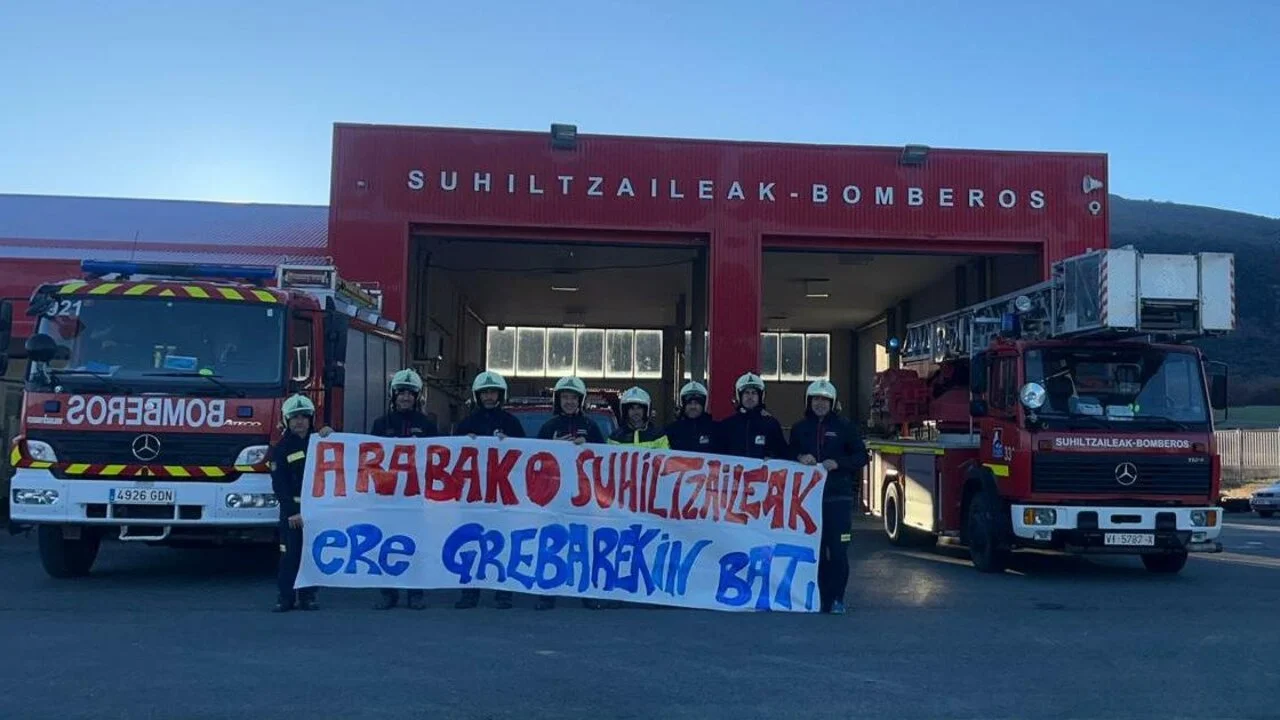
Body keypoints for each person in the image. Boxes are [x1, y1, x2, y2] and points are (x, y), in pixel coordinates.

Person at [788, 379, 869, 615]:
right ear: (809, 401)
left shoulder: (845, 427)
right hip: (808, 502)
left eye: (825, 400)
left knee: (838, 551)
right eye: (816, 399)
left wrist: (839, 463)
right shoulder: (799, 428)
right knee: (817, 551)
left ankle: (837, 599)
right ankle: (820, 598)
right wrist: (799, 457)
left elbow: (861, 457)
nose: (820, 404)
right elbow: (788, 453)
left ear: (832, 403)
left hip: (838, 500)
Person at [453, 370, 525, 610]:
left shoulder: (512, 423)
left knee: (502, 543)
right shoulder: (466, 424)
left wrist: (510, 442)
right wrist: (463, 441)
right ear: (478, 395)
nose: (489, 397)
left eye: (493, 392)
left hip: (502, 496)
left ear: (500, 395)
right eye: (485, 393)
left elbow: (525, 455)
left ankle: (503, 592)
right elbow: (451, 457)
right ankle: (469, 592)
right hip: (472, 497)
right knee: (471, 542)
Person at [369, 368, 440, 611]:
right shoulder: (380, 424)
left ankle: (415, 593)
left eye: (410, 394)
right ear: (394, 395)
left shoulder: (428, 425)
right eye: (401, 393)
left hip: (416, 497)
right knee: (387, 544)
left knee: (415, 545)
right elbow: (369, 458)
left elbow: (439, 458)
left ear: (417, 397)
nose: (406, 398)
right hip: (387, 496)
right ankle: (388, 593)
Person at [535, 376, 606, 610]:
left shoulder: (592, 427)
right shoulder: (548, 427)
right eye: (565, 397)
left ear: (580, 400)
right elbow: (534, 459)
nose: (569, 402)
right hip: (555, 497)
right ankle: (547, 593)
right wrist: (552, 446)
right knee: (552, 543)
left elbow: (605, 458)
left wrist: (589, 445)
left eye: (573, 397)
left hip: (584, 497)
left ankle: (587, 592)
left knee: (585, 544)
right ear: (558, 400)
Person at [270, 393, 331, 613]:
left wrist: (332, 437)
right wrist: (292, 512)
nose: (299, 421)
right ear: (286, 420)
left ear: (311, 419)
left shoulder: (321, 443)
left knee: (310, 555)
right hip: (293, 513)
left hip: (315, 511)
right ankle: (285, 598)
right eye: (294, 417)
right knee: (290, 555)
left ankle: (308, 596)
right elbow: (280, 485)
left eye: (304, 417)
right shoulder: (281, 448)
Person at [716, 372, 789, 460]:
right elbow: (718, 455)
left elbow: (783, 453)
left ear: (760, 396)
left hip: (762, 468)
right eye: (746, 393)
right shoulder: (727, 425)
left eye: (754, 393)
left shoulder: (771, 424)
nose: (750, 397)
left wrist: (772, 457)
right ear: (739, 396)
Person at [664, 381, 719, 454]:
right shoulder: (671, 431)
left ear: (704, 405)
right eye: (689, 403)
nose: (693, 407)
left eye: (697, 403)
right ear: (683, 405)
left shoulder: (716, 430)